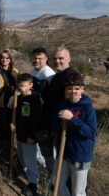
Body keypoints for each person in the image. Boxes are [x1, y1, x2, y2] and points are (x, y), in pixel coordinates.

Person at [51, 73, 97, 196]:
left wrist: (72, 118)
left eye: (77, 88)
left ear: (82, 89)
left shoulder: (87, 108)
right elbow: (55, 127)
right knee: (56, 184)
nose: (73, 92)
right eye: (70, 88)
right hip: (64, 153)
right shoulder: (62, 105)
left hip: (80, 155)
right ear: (65, 90)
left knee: (78, 192)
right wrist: (58, 123)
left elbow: (91, 133)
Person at [42, 46, 79, 175]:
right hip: (54, 124)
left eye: (61, 58)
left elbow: (74, 104)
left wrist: (60, 126)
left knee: (67, 161)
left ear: (69, 59)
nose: (57, 61)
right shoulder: (57, 76)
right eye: (55, 58)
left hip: (64, 126)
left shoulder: (72, 76)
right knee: (57, 158)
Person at [9, 73, 42, 196]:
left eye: (24, 85)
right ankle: (28, 174)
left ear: (30, 85)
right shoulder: (19, 98)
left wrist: (32, 136)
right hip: (20, 135)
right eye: (20, 85)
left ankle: (33, 184)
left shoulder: (34, 99)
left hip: (29, 137)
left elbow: (36, 120)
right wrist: (14, 124)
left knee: (30, 160)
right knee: (22, 157)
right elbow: (18, 115)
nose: (22, 88)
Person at [30, 47, 55, 172]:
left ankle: (52, 176)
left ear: (46, 59)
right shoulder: (32, 72)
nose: (37, 61)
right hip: (34, 116)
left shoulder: (49, 75)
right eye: (35, 58)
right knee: (37, 147)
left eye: (40, 58)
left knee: (47, 149)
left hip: (44, 118)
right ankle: (39, 170)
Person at [0, 50, 17, 152]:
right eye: (2, 57)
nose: (4, 60)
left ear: (10, 60)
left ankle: (9, 146)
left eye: (7, 58)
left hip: (13, 103)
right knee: (3, 124)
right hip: (1, 102)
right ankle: (2, 144)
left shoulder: (15, 71)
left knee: (10, 124)